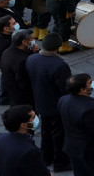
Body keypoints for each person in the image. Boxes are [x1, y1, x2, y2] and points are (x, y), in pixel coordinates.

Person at [25, 33, 71, 172]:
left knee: (46, 132)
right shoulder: (59, 65)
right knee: (59, 135)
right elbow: (65, 88)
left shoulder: (32, 59)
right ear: (57, 47)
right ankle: (61, 163)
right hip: (55, 106)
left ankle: (46, 157)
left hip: (40, 102)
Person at [0, 105, 51, 176]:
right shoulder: (29, 151)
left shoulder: (1, 138)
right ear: (23, 125)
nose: (36, 119)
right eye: (33, 118)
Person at [1, 29, 36, 107]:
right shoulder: (22, 61)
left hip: (13, 96)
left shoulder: (7, 52)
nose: (34, 40)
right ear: (24, 42)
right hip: (25, 100)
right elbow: (25, 82)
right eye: (32, 39)